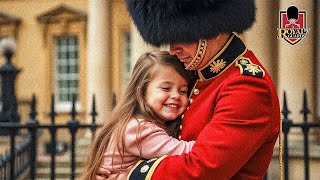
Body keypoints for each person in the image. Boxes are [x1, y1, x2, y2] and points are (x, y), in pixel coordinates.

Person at [99, 0, 281, 179]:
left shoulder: (247, 86)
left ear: (214, 29)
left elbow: (204, 169)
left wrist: (131, 175)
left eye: (180, 36)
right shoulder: (196, 75)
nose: (172, 50)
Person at [82, 51, 197, 180]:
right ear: (141, 91)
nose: (176, 95)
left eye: (183, 91)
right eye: (166, 88)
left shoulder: (134, 123)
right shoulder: (139, 129)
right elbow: (188, 152)